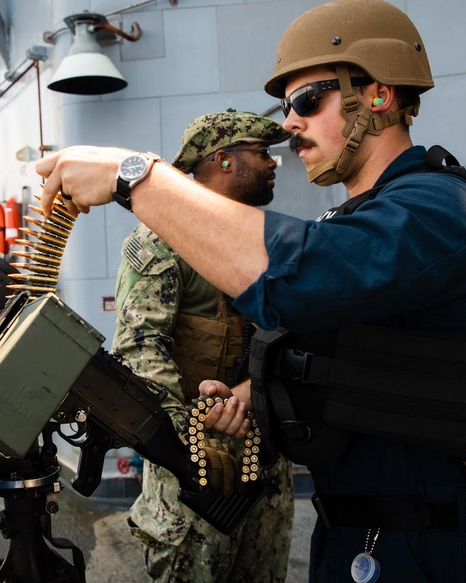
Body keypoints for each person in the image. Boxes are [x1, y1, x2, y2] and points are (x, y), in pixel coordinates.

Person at [36, 0, 466, 581]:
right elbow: (355, 348)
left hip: (433, 548)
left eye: (308, 101)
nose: (288, 124)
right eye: (287, 106)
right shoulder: (371, 217)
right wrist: (256, 391)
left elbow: (295, 279)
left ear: (378, 95)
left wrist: (136, 178)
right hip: (366, 532)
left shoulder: (440, 211)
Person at [112, 110, 295, 582]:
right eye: (261, 153)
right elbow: (139, 349)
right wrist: (188, 443)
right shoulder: (160, 241)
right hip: (194, 473)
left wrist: (254, 395)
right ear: (224, 160)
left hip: (264, 461)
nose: (274, 163)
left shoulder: (268, 239)